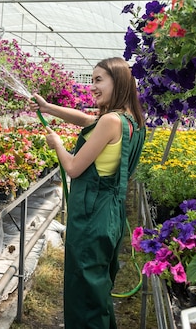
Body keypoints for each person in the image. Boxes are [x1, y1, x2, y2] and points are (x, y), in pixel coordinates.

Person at [31, 57, 146, 328]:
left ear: (117, 82)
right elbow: (86, 120)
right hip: (110, 212)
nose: (92, 87)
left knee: (83, 290)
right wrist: (49, 108)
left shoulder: (110, 121)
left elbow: (72, 168)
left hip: (92, 213)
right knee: (97, 285)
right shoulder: (132, 120)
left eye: (98, 80)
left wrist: (57, 143)